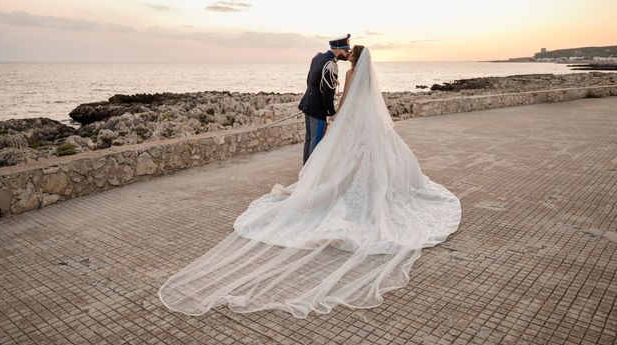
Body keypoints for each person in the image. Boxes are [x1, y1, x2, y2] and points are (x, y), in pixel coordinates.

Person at [159, 46, 461, 319]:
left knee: (340, 161)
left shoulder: (350, 71)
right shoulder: (361, 73)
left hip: (350, 122)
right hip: (368, 125)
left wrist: (336, 119)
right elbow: (364, 98)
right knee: (368, 163)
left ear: (352, 58)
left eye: (350, 56)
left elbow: (345, 99)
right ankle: (367, 192)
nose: (348, 59)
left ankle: (338, 189)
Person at [298, 34, 350, 164]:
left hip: (308, 104)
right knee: (316, 144)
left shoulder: (317, 57)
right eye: (346, 50)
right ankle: (310, 176)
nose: (347, 53)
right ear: (338, 50)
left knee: (309, 140)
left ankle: (305, 172)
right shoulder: (331, 65)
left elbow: (309, 79)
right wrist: (331, 112)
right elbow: (327, 92)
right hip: (318, 109)